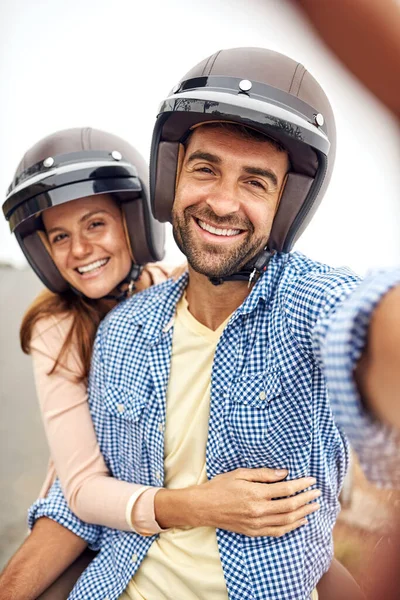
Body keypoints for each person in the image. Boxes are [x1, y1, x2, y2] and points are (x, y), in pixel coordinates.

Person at [4, 45, 397, 598]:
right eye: (206, 169)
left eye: (255, 182)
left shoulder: (307, 298)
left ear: (286, 205)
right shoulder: (122, 331)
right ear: (172, 178)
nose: (222, 202)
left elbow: (362, 320)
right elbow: (83, 493)